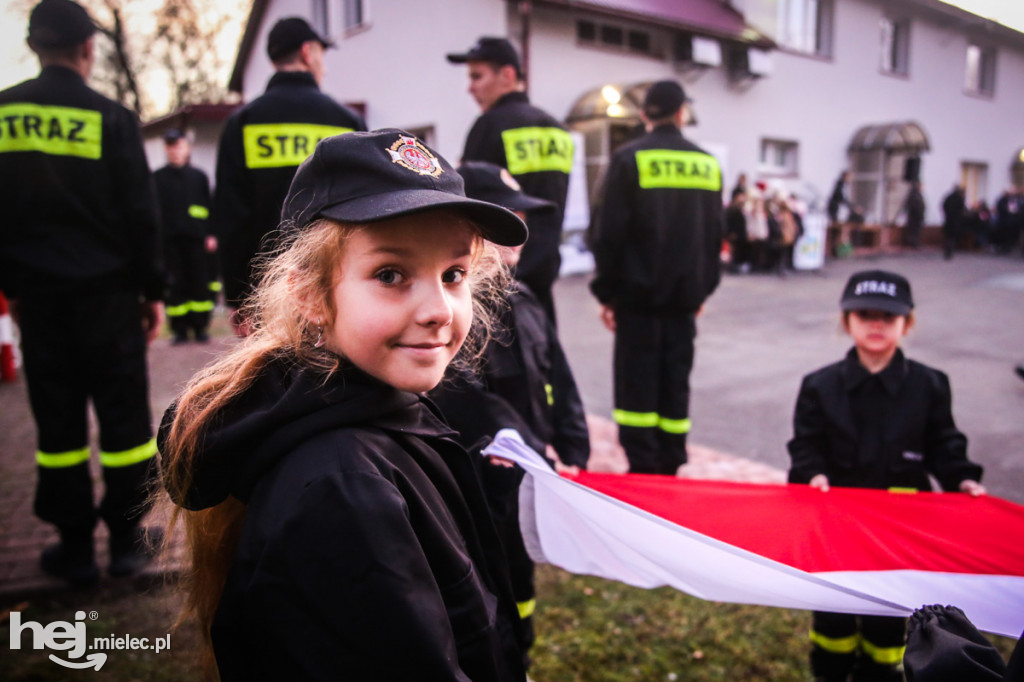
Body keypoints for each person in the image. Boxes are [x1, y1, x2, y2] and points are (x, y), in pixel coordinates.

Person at [158, 129, 528, 681]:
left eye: (452, 275)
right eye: (390, 275)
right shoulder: (342, 488)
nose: (440, 310)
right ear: (310, 295)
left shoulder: (382, 407)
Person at [0, 0, 164, 586]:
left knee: (57, 425)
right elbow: (140, 215)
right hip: (108, 297)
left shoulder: (4, 116)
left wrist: (12, 286)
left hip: (38, 300)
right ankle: (125, 543)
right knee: (124, 423)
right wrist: (152, 291)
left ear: (34, 44)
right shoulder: (112, 118)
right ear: (88, 50)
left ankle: (72, 549)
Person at [787, 269, 987, 682]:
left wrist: (962, 479)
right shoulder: (818, 386)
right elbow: (805, 447)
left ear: (907, 323)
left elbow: (944, 445)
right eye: (865, 314)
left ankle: (879, 675)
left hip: (899, 534)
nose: (876, 324)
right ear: (846, 322)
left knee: (886, 622)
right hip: (836, 530)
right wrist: (812, 474)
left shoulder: (931, 385)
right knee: (833, 616)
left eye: (888, 316)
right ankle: (829, 672)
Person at [430, 161, 591, 664]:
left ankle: (519, 652)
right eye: (506, 224)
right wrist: (520, 441)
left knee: (519, 575)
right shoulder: (453, 316)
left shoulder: (529, 302)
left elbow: (559, 381)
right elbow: (467, 396)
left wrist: (572, 445)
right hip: (476, 481)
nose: (518, 239)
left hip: (528, 472)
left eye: (522, 224)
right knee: (479, 577)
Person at [588, 80, 722, 475]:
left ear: (644, 115)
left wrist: (607, 294)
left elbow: (607, 234)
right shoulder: (707, 163)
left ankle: (642, 466)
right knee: (675, 384)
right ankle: (671, 462)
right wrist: (701, 290)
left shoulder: (628, 159)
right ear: (681, 113)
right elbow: (714, 236)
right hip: (684, 304)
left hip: (637, 305)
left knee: (637, 387)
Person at [215, 16, 366, 335]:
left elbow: (231, 217)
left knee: (271, 381)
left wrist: (238, 296)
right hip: (336, 287)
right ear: (308, 52)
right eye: (321, 55)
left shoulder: (243, 123)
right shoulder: (346, 122)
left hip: (266, 292)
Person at [447, 36, 573, 324]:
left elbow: (471, 202)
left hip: (500, 280)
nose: (470, 88)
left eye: (477, 76)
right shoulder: (557, 129)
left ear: (508, 75)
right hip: (543, 273)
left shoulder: (490, 125)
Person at [154, 128, 215, 344]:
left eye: (178, 145)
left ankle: (200, 328)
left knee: (199, 284)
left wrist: (211, 234)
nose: (175, 151)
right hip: (169, 242)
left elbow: (209, 206)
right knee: (175, 286)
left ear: (186, 148)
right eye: (170, 146)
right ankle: (179, 330)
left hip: (196, 241)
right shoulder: (157, 179)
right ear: (166, 149)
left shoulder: (198, 177)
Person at [724, 187, 750, 273]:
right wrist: (731, 232)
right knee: (734, 252)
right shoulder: (732, 208)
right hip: (734, 234)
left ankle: (737, 265)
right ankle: (733, 266)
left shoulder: (741, 208)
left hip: (740, 235)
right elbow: (730, 221)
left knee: (739, 251)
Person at [941, 184, 966, 260]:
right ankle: (949, 252)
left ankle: (947, 252)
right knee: (952, 237)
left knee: (948, 236)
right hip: (955, 221)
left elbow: (944, 206)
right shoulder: (959, 198)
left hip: (948, 220)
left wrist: (947, 214)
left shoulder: (949, 197)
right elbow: (962, 209)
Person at [902, 180, 926, 249]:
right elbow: (915, 206)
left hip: (916, 216)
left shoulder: (917, 194)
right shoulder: (915, 195)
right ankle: (913, 243)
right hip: (915, 216)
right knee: (914, 230)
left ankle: (914, 242)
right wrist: (918, 213)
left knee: (916, 230)